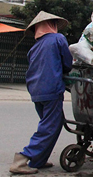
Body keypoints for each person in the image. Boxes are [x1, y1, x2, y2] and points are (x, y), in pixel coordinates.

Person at [10, 11, 72, 175]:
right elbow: (67, 63)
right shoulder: (58, 39)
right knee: (50, 127)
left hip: (35, 90)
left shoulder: (34, 48)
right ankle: (22, 158)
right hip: (51, 89)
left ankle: (38, 160)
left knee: (51, 124)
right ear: (51, 25)